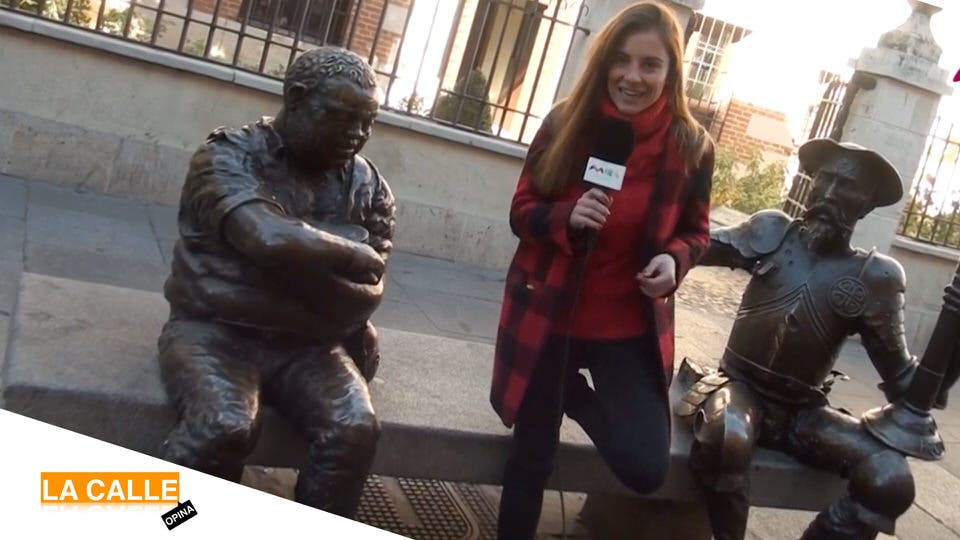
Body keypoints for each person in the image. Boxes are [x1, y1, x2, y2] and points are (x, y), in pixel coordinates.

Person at [488, 3, 714, 538]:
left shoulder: (691, 147)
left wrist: (674, 259)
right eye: (621, 60)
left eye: (650, 64)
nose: (632, 77)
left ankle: (570, 392)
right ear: (604, 61)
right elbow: (521, 211)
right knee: (530, 460)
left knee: (646, 467)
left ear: (671, 71)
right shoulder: (565, 123)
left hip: (626, 329)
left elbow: (697, 231)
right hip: (548, 318)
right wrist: (566, 216)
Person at [156, 46, 395, 517]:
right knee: (224, 427)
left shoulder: (368, 186)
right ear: (297, 97)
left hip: (309, 345)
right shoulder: (227, 156)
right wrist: (347, 249)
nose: (357, 134)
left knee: (354, 429)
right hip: (215, 333)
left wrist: (288, 260)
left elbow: (367, 292)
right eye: (342, 117)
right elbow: (267, 236)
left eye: (367, 122)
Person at [680, 138, 918, 539]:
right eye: (824, 179)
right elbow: (695, 247)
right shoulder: (772, 231)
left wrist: (944, 366)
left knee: (890, 478)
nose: (829, 193)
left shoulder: (876, 277)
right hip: (740, 388)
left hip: (803, 412)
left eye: (846, 186)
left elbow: (903, 382)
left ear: (867, 203)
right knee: (728, 437)